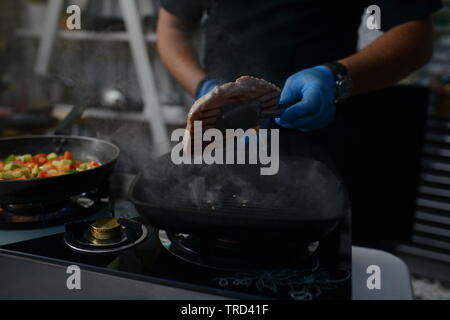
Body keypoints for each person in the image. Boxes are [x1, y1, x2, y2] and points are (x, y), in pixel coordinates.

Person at [156, 0, 443, 248]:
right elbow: (172, 27)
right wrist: (204, 87)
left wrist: (334, 78)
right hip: (223, 133)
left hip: (324, 135)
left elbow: (416, 35)